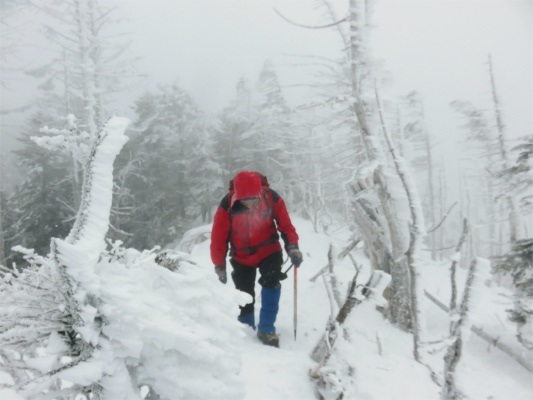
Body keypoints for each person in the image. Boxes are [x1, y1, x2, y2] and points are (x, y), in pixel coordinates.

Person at [210, 171, 303, 347]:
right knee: (244, 294)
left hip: (269, 251)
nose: (250, 205)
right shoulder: (227, 205)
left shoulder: (271, 197)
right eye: (245, 201)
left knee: (271, 282)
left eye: (254, 200)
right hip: (240, 255)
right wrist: (219, 266)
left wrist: (293, 247)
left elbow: (286, 226)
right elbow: (218, 238)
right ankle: (246, 328)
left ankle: (266, 329)